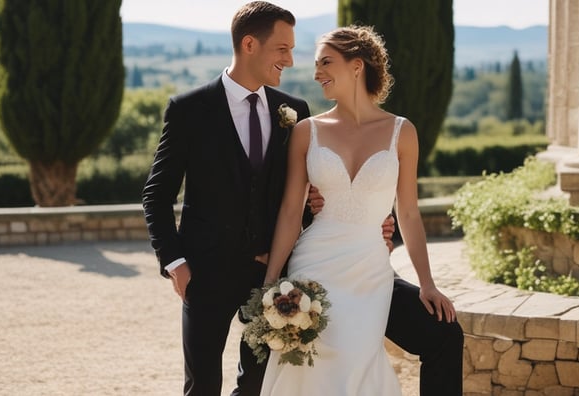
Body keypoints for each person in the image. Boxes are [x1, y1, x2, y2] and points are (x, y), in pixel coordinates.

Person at [142, 2, 462, 395]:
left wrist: (365, 219)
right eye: (284, 49)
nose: (295, 64)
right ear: (249, 44)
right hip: (213, 272)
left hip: (296, 267)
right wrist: (176, 263)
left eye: (312, 57)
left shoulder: (292, 111)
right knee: (204, 383)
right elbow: (157, 195)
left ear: (357, 66)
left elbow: (317, 199)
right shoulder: (192, 109)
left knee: (259, 382)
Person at [260, 25, 462, 395]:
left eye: (325, 62)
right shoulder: (307, 132)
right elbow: (291, 212)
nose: (316, 72)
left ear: (356, 66)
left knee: (366, 355)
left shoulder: (402, 132)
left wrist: (427, 283)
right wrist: (271, 283)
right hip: (314, 266)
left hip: (370, 270)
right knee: (315, 366)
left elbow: (409, 214)